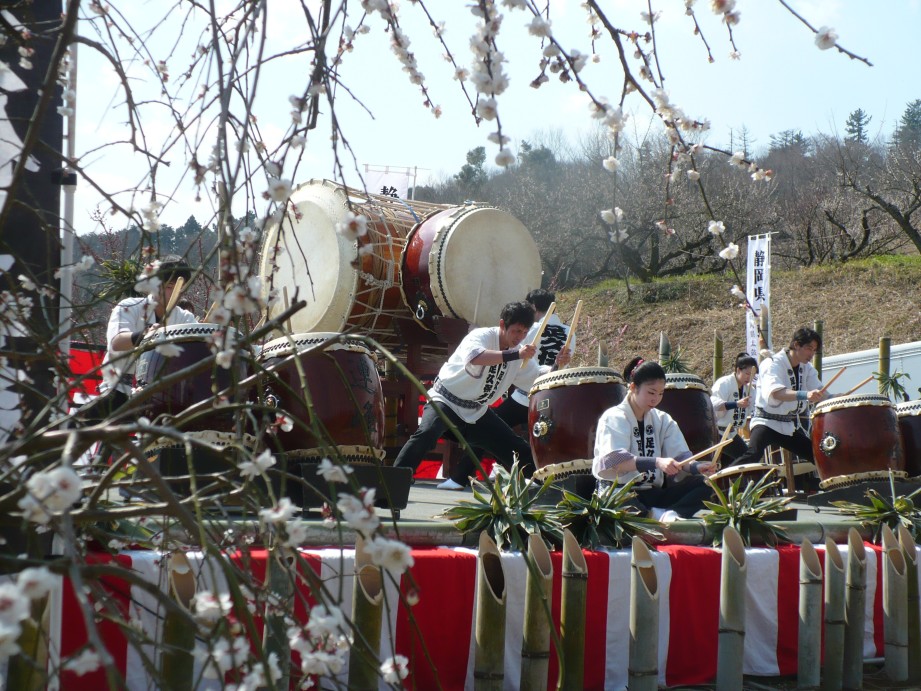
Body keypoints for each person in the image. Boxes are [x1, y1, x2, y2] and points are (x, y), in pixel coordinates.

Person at [393, 301, 571, 490]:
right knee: (427, 432)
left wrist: (557, 365)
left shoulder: (519, 354)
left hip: (475, 412)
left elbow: (536, 378)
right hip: (445, 400)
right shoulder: (482, 336)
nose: (520, 337)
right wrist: (515, 354)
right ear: (502, 324)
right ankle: (395, 480)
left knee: (516, 448)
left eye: (524, 332)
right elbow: (475, 357)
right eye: (516, 331)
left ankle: (549, 488)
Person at [592, 357, 714, 521]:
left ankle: (670, 514)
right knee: (626, 508)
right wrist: (656, 462)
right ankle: (658, 515)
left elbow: (680, 457)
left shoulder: (662, 419)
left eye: (661, 393)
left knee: (706, 484)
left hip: (651, 492)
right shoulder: (614, 417)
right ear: (634, 387)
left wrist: (697, 467)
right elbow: (616, 461)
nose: (656, 398)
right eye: (651, 392)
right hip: (620, 492)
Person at [84, 255, 198, 420]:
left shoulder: (185, 318)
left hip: (162, 396)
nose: (175, 292)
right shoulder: (130, 307)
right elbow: (117, 342)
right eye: (170, 285)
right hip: (119, 389)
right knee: (86, 423)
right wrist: (146, 335)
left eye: (180, 287)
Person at [731, 327, 828, 469]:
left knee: (816, 454)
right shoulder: (772, 363)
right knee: (753, 455)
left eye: (814, 350)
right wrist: (805, 395)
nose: (812, 353)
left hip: (786, 425)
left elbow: (821, 392)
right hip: (765, 421)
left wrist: (838, 398)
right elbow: (776, 393)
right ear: (796, 345)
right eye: (809, 348)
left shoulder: (806, 368)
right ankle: (716, 482)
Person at [495, 288, 574, 429]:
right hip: (555, 400)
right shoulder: (570, 333)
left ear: (533, 307)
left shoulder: (529, 329)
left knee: (491, 428)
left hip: (525, 399)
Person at [710, 353, 759, 465]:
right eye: (747, 374)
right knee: (745, 457)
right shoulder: (724, 382)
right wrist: (735, 404)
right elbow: (712, 404)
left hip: (731, 433)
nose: (749, 378)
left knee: (743, 459)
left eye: (752, 375)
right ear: (738, 370)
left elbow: (753, 410)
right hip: (718, 432)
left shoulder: (750, 390)